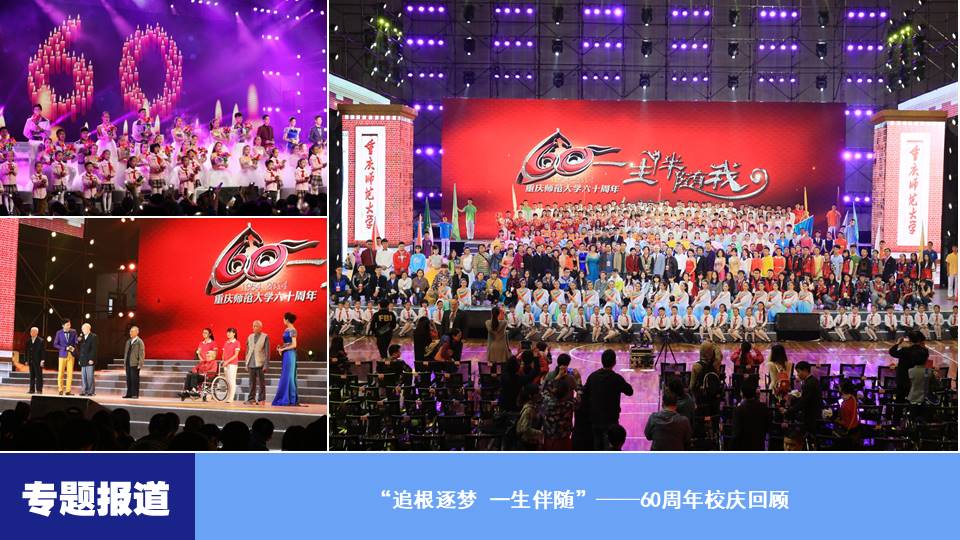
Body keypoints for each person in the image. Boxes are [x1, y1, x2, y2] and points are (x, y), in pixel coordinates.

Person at [582, 349, 634, 450]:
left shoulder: (592, 376)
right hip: (611, 420)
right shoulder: (616, 378)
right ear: (614, 362)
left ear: (602, 361)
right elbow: (630, 391)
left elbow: (585, 395)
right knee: (611, 447)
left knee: (597, 446)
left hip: (595, 418)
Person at [888, 330, 930, 410]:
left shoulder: (905, 350)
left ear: (910, 339)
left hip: (903, 380)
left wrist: (898, 343)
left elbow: (892, 352)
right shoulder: (924, 351)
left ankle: (897, 416)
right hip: (917, 380)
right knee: (915, 401)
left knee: (899, 401)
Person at [730, 378, 770, 450]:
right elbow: (768, 428)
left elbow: (736, 434)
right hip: (759, 446)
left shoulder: (738, 410)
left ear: (742, 393)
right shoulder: (764, 407)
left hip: (743, 448)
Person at [786, 361, 822, 438]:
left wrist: (789, 411)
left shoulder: (810, 383)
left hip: (811, 417)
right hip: (814, 413)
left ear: (805, 370)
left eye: (798, 372)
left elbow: (804, 402)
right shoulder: (812, 380)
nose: (797, 374)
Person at [272, 312, 299, 406]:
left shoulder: (293, 330)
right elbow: (287, 343)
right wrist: (281, 348)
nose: (283, 320)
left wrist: (283, 349)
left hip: (290, 354)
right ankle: (285, 397)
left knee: (289, 376)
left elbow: (294, 345)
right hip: (286, 354)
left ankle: (290, 398)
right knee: (285, 375)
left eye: (284, 318)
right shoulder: (286, 329)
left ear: (287, 320)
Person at [245, 320, 270, 405]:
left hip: (260, 363)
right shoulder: (250, 336)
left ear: (260, 327)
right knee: (252, 383)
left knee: (261, 383)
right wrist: (246, 363)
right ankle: (251, 399)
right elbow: (247, 350)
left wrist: (266, 364)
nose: (254, 328)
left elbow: (267, 351)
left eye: (256, 326)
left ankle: (261, 399)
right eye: (253, 326)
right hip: (251, 362)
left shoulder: (265, 336)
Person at [515, 383, 544, 450]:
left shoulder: (531, 406)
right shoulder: (529, 410)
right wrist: (541, 433)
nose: (540, 394)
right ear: (530, 396)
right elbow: (525, 429)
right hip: (527, 444)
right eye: (537, 393)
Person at [53, 319, 77, 396]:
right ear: (63, 325)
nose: (69, 326)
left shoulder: (74, 331)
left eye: (70, 324)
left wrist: (74, 347)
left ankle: (68, 391)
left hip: (71, 355)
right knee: (61, 373)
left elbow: (76, 342)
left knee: (70, 373)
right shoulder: (59, 332)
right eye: (67, 325)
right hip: (62, 355)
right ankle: (60, 389)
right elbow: (55, 344)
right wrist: (65, 348)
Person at [77, 323, 98, 397]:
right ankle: (84, 391)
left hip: (90, 359)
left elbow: (94, 349)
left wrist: (92, 359)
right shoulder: (82, 337)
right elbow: (81, 349)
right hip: (83, 359)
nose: (83, 330)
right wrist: (80, 359)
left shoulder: (93, 336)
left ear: (88, 329)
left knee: (90, 376)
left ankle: (90, 391)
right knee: (84, 376)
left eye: (84, 329)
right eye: (82, 329)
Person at [122, 325, 144, 399]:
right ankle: (129, 394)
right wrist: (125, 363)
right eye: (130, 331)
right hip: (128, 363)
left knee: (134, 379)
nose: (130, 333)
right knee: (128, 379)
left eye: (132, 331)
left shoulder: (139, 342)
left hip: (135, 363)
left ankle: (135, 394)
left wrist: (140, 363)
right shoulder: (128, 341)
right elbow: (126, 353)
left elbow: (141, 353)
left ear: (136, 332)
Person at [221, 328, 241, 403]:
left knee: (231, 381)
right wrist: (223, 361)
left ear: (234, 333)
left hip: (232, 364)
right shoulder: (226, 343)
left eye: (230, 332)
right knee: (227, 381)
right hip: (226, 364)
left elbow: (236, 355)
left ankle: (231, 398)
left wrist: (227, 361)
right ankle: (228, 396)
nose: (228, 334)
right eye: (227, 332)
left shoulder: (237, 343)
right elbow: (223, 354)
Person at [25, 326, 45, 394]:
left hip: (38, 361)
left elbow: (43, 351)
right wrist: (26, 360)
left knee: (39, 376)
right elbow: (26, 351)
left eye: (33, 331)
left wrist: (42, 360)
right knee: (32, 376)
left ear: (37, 332)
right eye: (31, 331)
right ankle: (31, 389)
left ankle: (39, 390)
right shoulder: (28, 341)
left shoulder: (41, 341)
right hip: (31, 361)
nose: (32, 333)